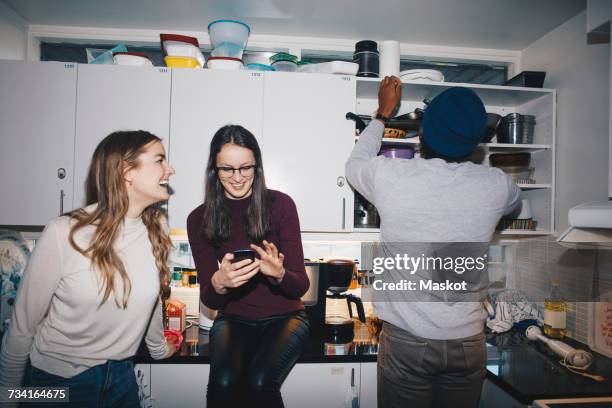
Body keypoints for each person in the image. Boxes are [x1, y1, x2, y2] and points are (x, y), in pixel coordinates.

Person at [345, 77, 521, 408]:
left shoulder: (390, 176)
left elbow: (354, 164)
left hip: (407, 342)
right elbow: (516, 202)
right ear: (476, 139)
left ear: (425, 131)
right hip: (468, 343)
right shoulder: (496, 185)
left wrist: (382, 114)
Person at [0, 130, 178, 407]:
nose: (170, 169)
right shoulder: (64, 232)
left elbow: (152, 298)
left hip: (122, 378)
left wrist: (158, 349)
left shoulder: (157, 230)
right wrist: (7, 397)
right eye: (160, 160)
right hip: (56, 383)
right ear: (126, 171)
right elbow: (22, 327)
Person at [187, 125, 310, 408]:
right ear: (214, 170)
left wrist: (280, 275)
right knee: (224, 383)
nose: (238, 177)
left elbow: (300, 285)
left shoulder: (281, 205)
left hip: (286, 317)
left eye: (245, 167)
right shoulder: (199, 219)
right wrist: (219, 283)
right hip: (234, 319)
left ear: (257, 166)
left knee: (259, 382)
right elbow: (209, 297)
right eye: (227, 169)